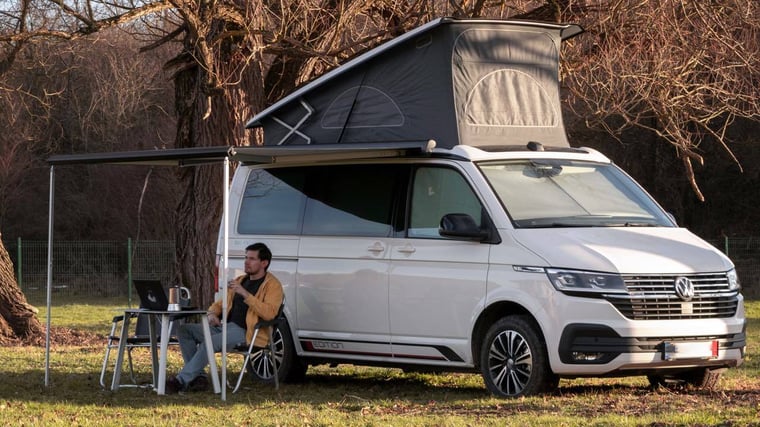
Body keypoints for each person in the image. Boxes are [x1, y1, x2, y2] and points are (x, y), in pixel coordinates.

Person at [165, 242, 284, 393]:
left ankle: (180, 381)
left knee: (209, 342)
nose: (247, 262)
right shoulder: (241, 280)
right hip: (225, 328)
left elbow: (270, 313)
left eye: (252, 259)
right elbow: (219, 304)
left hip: (248, 332)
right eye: (246, 257)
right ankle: (199, 378)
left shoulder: (272, 285)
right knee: (184, 330)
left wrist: (245, 294)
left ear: (264, 263)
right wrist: (212, 314)